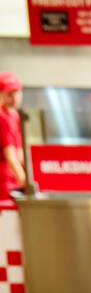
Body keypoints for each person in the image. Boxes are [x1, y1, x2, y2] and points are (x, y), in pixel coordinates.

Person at [0, 72, 25, 202]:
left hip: (13, 177)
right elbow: (10, 155)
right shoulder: (2, 117)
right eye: (10, 94)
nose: (14, 98)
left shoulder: (15, 115)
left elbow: (19, 150)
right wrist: (24, 179)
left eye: (17, 93)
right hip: (4, 180)